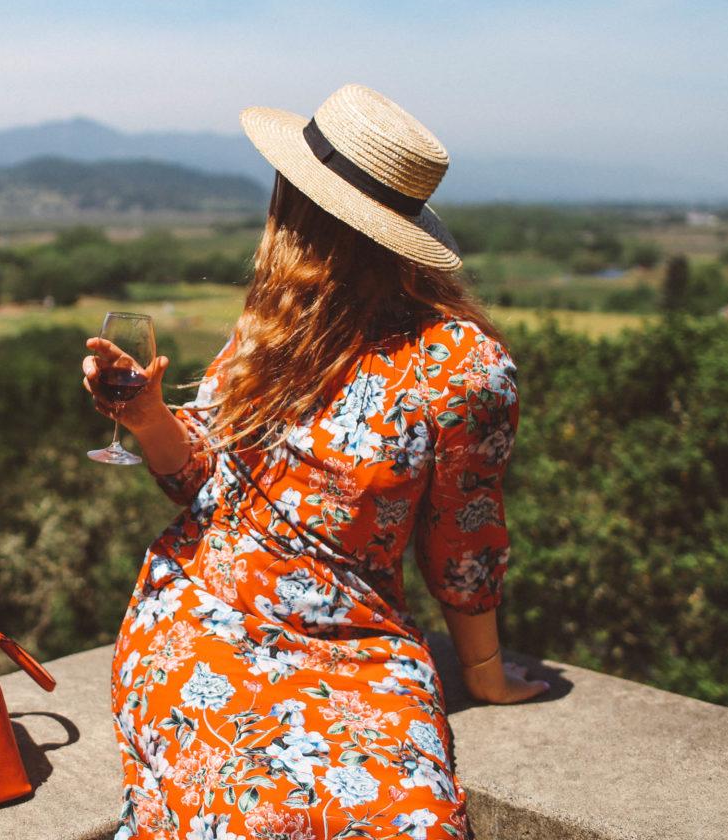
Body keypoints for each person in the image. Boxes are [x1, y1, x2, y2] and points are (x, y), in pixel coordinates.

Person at [83, 84, 546, 840]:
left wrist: (484, 673)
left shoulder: (463, 366)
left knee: (411, 824)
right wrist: (147, 417)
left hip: (354, 645)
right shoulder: (275, 326)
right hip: (204, 613)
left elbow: (465, 539)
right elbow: (204, 481)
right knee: (242, 809)